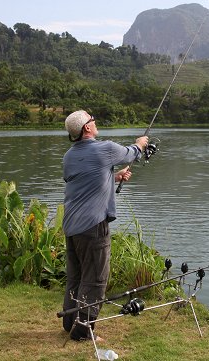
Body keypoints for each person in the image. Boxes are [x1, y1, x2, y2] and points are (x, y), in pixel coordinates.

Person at [61, 110, 148, 340]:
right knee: (96, 280)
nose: (95, 121)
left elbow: (85, 180)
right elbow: (132, 153)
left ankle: (70, 322)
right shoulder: (105, 149)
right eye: (92, 119)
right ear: (87, 128)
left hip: (71, 226)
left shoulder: (69, 156)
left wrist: (113, 176)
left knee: (76, 277)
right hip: (93, 227)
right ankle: (82, 332)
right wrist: (140, 144)